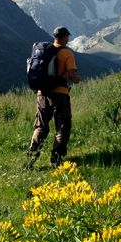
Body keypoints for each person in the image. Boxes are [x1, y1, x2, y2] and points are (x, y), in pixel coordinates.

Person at [26, 26, 80, 168]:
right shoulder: (66, 53)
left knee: (41, 127)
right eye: (68, 37)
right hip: (60, 94)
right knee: (63, 126)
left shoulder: (43, 51)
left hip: (42, 93)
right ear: (65, 37)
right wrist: (76, 79)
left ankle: (31, 158)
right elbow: (72, 75)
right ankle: (55, 159)